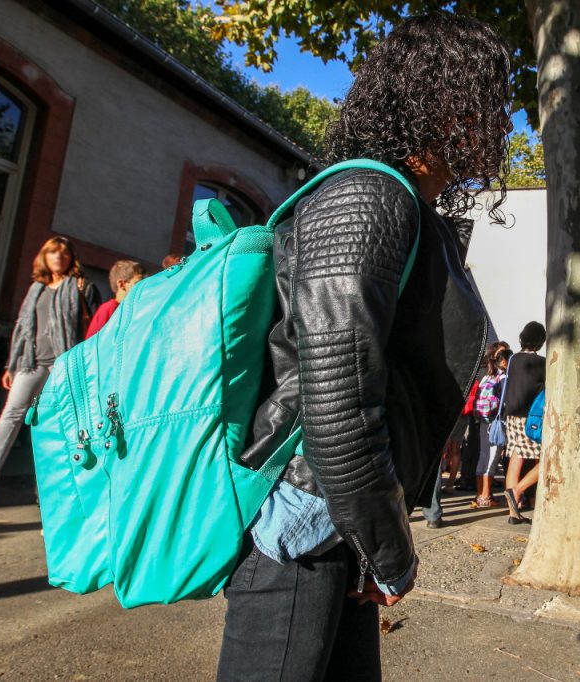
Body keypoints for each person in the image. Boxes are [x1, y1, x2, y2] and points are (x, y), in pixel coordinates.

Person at [216, 14, 512, 680]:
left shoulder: (404, 206)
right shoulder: (366, 198)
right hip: (305, 525)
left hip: (337, 525)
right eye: (486, 102)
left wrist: (373, 539)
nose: (501, 125)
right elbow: (338, 401)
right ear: (439, 102)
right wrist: (390, 552)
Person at [0, 237, 99, 498]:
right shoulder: (35, 288)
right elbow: (22, 328)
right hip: (31, 362)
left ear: (70, 258)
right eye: (53, 253)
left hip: (62, 364)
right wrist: (11, 365)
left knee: (57, 423)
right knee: (11, 414)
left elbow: (92, 329)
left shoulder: (81, 286)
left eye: (63, 253)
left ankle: (49, 491)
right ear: (44, 257)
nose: (58, 258)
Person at [501, 321, 546, 525]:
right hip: (531, 418)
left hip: (511, 416)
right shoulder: (542, 363)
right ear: (541, 341)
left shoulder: (513, 359)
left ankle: (513, 512)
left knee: (515, 458)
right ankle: (517, 491)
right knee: (546, 459)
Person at [475, 345, 512, 507]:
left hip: (484, 421)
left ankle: (479, 494)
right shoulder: (503, 377)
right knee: (492, 458)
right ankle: (485, 497)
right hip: (497, 422)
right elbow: (506, 401)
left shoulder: (486, 376)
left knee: (483, 457)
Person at [86, 260, 147, 338]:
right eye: (138, 283)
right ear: (121, 284)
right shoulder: (109, 309)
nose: (144, 288)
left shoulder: (136, 310)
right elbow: (94, 344)